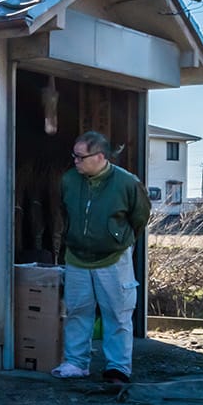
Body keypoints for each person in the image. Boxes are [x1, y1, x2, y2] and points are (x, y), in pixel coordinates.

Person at [55, 130, 149, 384]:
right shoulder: (69, 181)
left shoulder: (127, 183)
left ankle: (118, 368)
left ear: (99, 156)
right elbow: (64, 212)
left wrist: (118, 239)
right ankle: (75, 363)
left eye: (80, 157)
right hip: (76, 257)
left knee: (117, 313)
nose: (75, 161)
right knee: (77, 311)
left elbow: (140, 217)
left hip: (113, 258)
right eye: (73, 156)